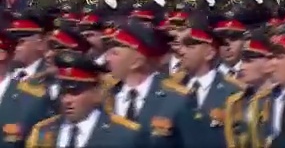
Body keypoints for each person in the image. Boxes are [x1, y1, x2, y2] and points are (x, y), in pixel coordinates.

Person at [104, 18, 199, 148]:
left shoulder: (176, 100)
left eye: (114, 53)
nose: (107, 58)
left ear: (136, 62)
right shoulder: (106, 98)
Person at [26, 50, 144, 148]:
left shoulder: (123, 134)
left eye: (75, 92)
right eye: (63, 93)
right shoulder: (42, 131)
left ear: (97, 93)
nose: (67, 100)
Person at [179, 12, 244, 147]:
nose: (182, 51)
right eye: (182, 46)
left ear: (210, 53)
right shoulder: (169, 88)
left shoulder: (234, 92)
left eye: (190, 46)